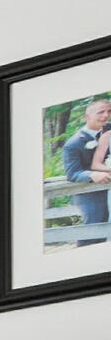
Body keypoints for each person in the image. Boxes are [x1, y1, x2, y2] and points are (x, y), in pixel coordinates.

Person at [61, 97, 111, 245]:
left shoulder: (108, 131)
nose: (106, 115)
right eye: (101, 112)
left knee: (105, 232)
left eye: (108, 111)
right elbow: (72, 173)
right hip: (89, 194)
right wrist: (92, 174)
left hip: (107, 189)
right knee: (93, 230)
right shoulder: (73, 143)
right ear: (87, 116)